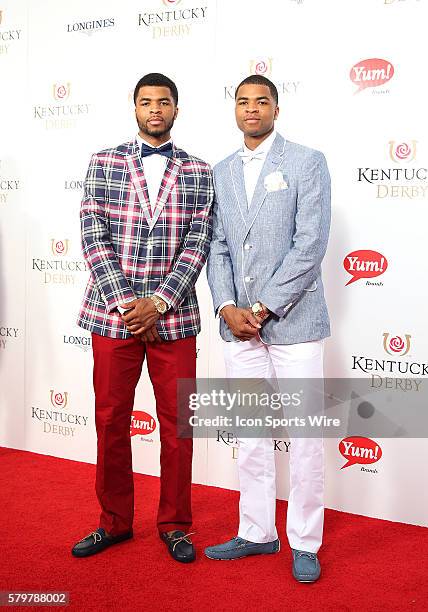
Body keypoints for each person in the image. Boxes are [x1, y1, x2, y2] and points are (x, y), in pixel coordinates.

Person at [72, 73, 213, 563]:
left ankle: (175, 525)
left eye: (164, 102)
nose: (155, 109)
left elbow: (199, 243)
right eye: (146, 102)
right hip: (114, 317)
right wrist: (129, 305)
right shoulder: (104, 161)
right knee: (111, 421)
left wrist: (159, 303)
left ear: (177, 109)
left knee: (179, 425)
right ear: (134, 108)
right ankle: (113, 523)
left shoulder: (199, 170)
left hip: (174, 320)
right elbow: (92, 234)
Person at [205, 74, 331, 582]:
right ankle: (256, 531)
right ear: (234, 109)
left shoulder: (306, 161)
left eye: (261, 101)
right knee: (251, 435)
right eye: (243, 101)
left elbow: (310, 245)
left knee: (304, 438)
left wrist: (261, 308)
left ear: (276, 109)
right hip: (238, 328)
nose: (251, 109)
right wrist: (227, 306)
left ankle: (304, 540)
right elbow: (216, 246)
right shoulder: (220, 171)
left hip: (294, 323)